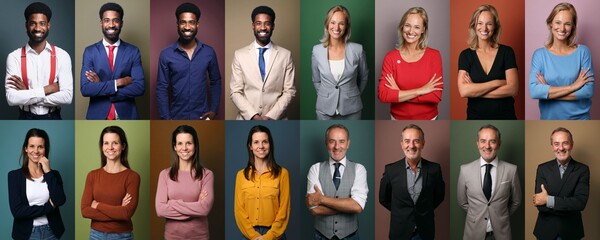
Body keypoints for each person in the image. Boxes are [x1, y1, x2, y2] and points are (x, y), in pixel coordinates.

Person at [5, 2, 73, 120]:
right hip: (25, 117)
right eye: (33, 23)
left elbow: (67, 97)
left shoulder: (62, 56)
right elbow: (11, 98)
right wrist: (47, 90)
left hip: (54, 117)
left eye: (42, 23)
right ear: (26, 25)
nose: (37, 28)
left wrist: (27, 93)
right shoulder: (14, 57)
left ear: (48, 25)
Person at [156, 3, 222, 120]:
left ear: (197, 24)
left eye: (191, 22)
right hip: (176, 116)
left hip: (203, 116)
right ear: (177, 24)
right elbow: (162, 88)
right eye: (183, 22)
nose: (187, 27)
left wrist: (214, 110)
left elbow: (216, 81)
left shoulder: (209, 52)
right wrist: (166, 118)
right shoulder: (166, 55)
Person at [529, 2, 594, 120]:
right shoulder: (539, 55)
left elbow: (587, 91)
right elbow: (534, 91)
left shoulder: (583, 52)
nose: (562, 28)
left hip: (580, 120)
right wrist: (573, 86)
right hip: (549, 120)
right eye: (558, 22)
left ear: (573, 27)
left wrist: (549, 92)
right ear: (550, 24)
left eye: (567, 24)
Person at [379, 124, 444, 240]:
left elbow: (439, 197)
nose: (411, 146)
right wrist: (400, 211)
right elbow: (383, 199)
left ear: (423, 143)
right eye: (407, 141)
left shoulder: (435, 169)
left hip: (424, 233)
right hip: (399, 232)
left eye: (416, 141)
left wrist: (423, 210)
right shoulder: (391, 170)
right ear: (402, 144)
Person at [80, 2, 145, 120]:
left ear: (121, 23)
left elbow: (140, 87)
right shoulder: (90, 52)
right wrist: (120, 82)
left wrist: (101, 87)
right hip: (97, 115)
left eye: (115, 20)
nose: (111, 25)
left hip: (128, 116)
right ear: (101, 23)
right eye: (107, 20)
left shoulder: (133, 51)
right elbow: (85, 89)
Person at [230, 6, 296, 120]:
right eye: (258, 23)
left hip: (277, 119)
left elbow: (289, 91)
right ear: (253, 25)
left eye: (267, 23)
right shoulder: (239, 55)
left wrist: (271, 116)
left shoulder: (286, 55)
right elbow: (235, 92)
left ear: (273, 26)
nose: (263, 27)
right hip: (246, 119)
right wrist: (253, 115)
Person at [456, 124, 521, 240]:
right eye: (483, 141)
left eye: (492, 141)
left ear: (499, 144)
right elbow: (462, 202)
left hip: (501, 235)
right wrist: (477, 214)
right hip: (473, 234)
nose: (487, 146)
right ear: (477, 144)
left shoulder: (512, 170)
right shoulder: (465, 170)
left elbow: (516, 201)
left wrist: (500, 215)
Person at [377, 7, 443, 120]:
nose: (411, 31)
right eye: (407, 25)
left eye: (417, 27)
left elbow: (435, 96)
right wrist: (420, 91)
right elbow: (383, 95)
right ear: (402, 26)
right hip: (397, 118)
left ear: (423, 30)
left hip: (429, 119)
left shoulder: (434, 56)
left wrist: (399, 93)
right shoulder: (391, 58)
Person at [306, 124, 368, 240]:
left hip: (351, 236)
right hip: (321, 236)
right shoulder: (315, 169)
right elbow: (315, 209)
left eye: (342, 141)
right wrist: (347, 206)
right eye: (332, 141)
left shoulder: (359, 169)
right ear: (326, 143)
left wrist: (322, 199)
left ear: (348, 143)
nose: (336, 146)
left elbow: (357, 207)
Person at [457, 5, 519, 120]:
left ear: (495, 26)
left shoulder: (507, 52)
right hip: (475, 118)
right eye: (480, 23)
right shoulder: (465, 55)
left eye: (489, 24)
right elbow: (464, 91)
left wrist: (475, 90)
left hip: (506, 117)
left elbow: (513, 89)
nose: (484, 28)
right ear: (474, 26)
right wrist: (497, 82)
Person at [156, 125, 214, 239]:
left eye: (189, 143)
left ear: (195, 146)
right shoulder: (164, 175)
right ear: (175, 147)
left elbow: (204, 209)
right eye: (180, 143)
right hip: (172, 236)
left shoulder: (207, 174)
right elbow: (160, 210)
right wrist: (195, 207)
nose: (184, 148)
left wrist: (172, 203)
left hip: (199, 236)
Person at [81, 126, 140, 239]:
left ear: (123, 146)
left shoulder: (132, 177)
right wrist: (118, 210)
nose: (110, 147)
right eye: (106, 143)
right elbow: (85, 211)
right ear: (102, 147)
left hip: (122, 236)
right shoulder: (92, 175)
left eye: (115, 143)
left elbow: (126, 213)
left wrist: (98, 205)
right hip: (96, 235)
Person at [312, 5, 368, 120]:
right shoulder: (316, 50)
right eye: (333, 22)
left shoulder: (358, 49)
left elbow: (364, 77)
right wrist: (327, 97)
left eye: (341, 23)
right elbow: (316, 80)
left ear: (346, 26)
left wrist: (352, 95)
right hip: (324, 109)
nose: (336, 27)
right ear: (327, 24)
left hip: (352, 109)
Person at [8, 128, 66, 239]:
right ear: (26, 148)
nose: (36, 151)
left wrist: (48, 172)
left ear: (45, 149)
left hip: (52, 232)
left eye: (40, 147)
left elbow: (60, 200)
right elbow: (17, 211)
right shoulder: (14, 176)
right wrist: (49, 206)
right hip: (27, 234)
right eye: (32, 146)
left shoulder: (54, 174)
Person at [234, 125, 290, 239]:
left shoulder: (282, 173)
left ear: (270, 145)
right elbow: (239, 210)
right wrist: (253, 236)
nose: (261, 146)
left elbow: (284, 209)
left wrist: (268, 237)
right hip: (249, 235)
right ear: (250, 146)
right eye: (256, 142)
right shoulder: (241, 175)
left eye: (265, 142)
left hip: (275, 235)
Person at [533, 127, 589, 240]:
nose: (561, 148)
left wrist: (548, 200)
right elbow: (540, 205)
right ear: (552, 146)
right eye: (556, 144)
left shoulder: (582, 170)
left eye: (565, 143)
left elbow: (580, 203)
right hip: (545, 231)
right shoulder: (542, 168)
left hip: (571, 231)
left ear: (572, 145)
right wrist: (567, 204)